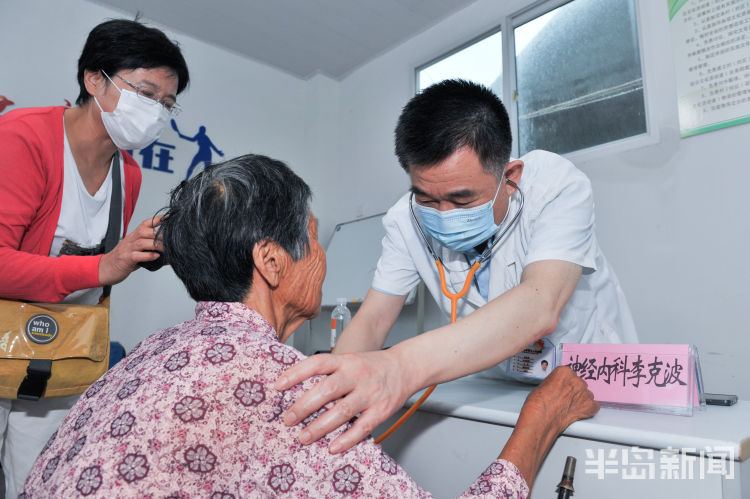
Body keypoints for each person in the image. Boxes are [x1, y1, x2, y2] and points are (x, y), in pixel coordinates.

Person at [21, 154, 598, 497]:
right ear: (272, 262)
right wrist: (542, 418)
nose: (320, 254)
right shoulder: (277, 385)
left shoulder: (157, 350)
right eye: (314, 237)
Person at [275, 79, 638, 454]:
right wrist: (328, 399)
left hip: (592, 380)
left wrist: (399, 366)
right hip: (494, 385)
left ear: (509, 179)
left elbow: (540, 304)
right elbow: (372, 320)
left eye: (462, 200)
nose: (443, 214)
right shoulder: (406, 219)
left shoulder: (554, 185)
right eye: (427, 198)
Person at [0, 19, 189, 496]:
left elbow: (100, 266)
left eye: (167, 104)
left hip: (60, 356)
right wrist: (103, 266)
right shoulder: (23, 138)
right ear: (93, 79)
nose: (155, 113)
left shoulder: (129, 174)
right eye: (145, 94)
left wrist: (137, 253)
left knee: (42, 482)